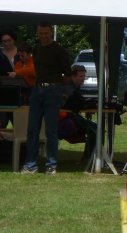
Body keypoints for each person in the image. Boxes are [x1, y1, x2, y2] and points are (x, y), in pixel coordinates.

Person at [20, 22, 72, 175]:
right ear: (37, 33)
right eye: (41, 33)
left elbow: (67, 73)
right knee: (32, 129)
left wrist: (61, 91)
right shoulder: (36, 49)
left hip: (53, 89)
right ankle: (31, 165)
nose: (43, 36)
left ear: (51, 33)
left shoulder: (58, 50)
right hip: (37, 89)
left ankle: (51, 165)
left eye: (46, 33)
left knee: (51, 130)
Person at [57, 64, 97, 161]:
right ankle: (89, 158)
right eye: (81, 76)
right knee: (95, 129)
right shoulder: (68, 88)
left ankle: (89, 157)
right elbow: (66, 105)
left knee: (95, 128)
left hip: (69, 117)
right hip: (63, 121)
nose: (83, 79)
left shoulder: (74, 87)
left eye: (84, 76)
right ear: (73, 76)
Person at [0, 30, 20, 128]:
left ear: (14, 40)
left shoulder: (21, 53)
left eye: (8, 40)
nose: (6, 43)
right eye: (3, 41)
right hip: (3, 92)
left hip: (20, 93)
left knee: (19, 124)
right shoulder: (0, 54)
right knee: (2, 123)